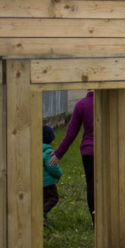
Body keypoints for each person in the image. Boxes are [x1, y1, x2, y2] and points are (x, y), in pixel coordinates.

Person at [50, 90, 96, 225]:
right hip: (107, 150)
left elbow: (71, 133)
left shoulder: (81, 105)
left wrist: (59, 153)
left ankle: (95, 216)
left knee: (92, 184)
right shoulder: (107, 103)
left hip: (88, 152)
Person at [42, 125, 62, 227]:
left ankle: (41, 216)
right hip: (48, 183)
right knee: (53, 198)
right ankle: (42, 214)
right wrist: (59, 173)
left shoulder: (36, 150)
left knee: (43, 199)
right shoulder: (48, 152)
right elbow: (52, 167)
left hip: (38, 182)